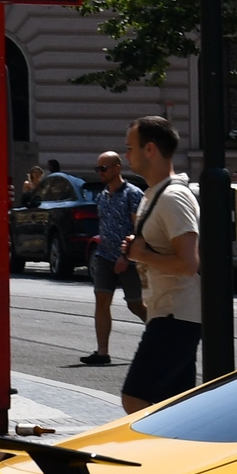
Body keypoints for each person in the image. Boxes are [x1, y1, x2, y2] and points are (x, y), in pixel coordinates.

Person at [119, 116, 202, 412]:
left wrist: (141, 255)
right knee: (176, 407)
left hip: (175, 315)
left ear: (150, 149)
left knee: (134, 397)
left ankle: (159, 457)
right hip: (167, 313)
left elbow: (189, 263)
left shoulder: (174, 197)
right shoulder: (152, 195)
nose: (126, 155)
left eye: (130, 148)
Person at [82, 149, 146, 366]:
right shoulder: (102, 196)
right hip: (104, 256)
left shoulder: (133, 194)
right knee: (101, 301)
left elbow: (139, 229)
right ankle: (102, 352)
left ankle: (164, 335)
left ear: (117, 168)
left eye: (103, 168)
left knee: (135, 305)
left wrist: (126, 257)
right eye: (97, 168)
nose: (99, 172)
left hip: (128, 259)